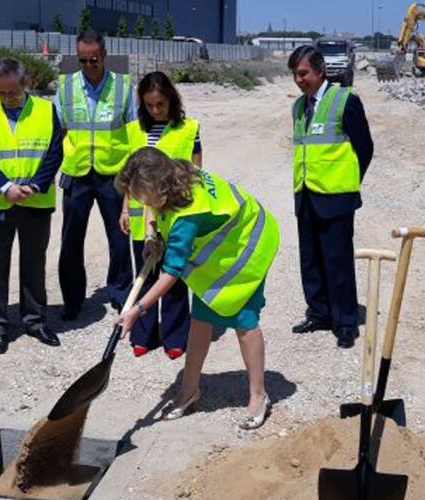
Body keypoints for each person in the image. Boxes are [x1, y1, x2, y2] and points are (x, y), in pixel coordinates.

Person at [115, 147, 280, 430]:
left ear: (159, 185)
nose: (139, 201)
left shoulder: (186, 218)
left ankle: (258, 395)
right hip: (221, 253)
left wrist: (138, 310)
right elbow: (156, 207)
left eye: (141, 194)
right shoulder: (176, 172)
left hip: (247, 249)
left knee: (245, 322)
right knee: (201, 319)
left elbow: (171, 274)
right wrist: (154, 235)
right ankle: (189, 391)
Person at [0, 58, 64, 354]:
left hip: (35, 200)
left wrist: (35, 185)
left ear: (26, 84)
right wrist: (6, 187)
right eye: (1, 93)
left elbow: (54, 152)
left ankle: (35, 321)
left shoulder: (46, 110)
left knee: (34, 264)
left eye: (13, 92)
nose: (8, 99)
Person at [286, 45, 374, 349]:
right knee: (310, 260)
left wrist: (349, 181)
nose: (298, 80)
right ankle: (319, 312)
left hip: (336, 197)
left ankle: (346, 321)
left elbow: (365, 148)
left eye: (303, 73)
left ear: (320, 71)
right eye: (295, 74)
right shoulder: (299, 107)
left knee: (337, 261)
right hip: (306, 194)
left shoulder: (346, 101)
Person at [56, 30, 138, 321]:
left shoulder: (123, 87)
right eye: (82, 61)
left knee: (118, 237)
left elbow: (133, 135)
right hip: (78, 174)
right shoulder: (66, 87)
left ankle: (120, 293)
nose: (88, 66)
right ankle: (73, 300)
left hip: (112, 175)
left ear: (104, 56)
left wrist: (132, 181)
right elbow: (60, 130)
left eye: (93, 60)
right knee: (71, 240)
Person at [119, 71, 200, 360]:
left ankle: (176, 335)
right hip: (142, 218)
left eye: (161, 104)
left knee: (173, 275)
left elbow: (196, 176)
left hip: (174, 217)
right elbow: (128, 176)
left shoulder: (189, 129)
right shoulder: (133, 130)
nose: (156, 110)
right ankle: (144, 333)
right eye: (150, 105)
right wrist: (126, 209)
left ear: (171, 100)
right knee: (144, 274)